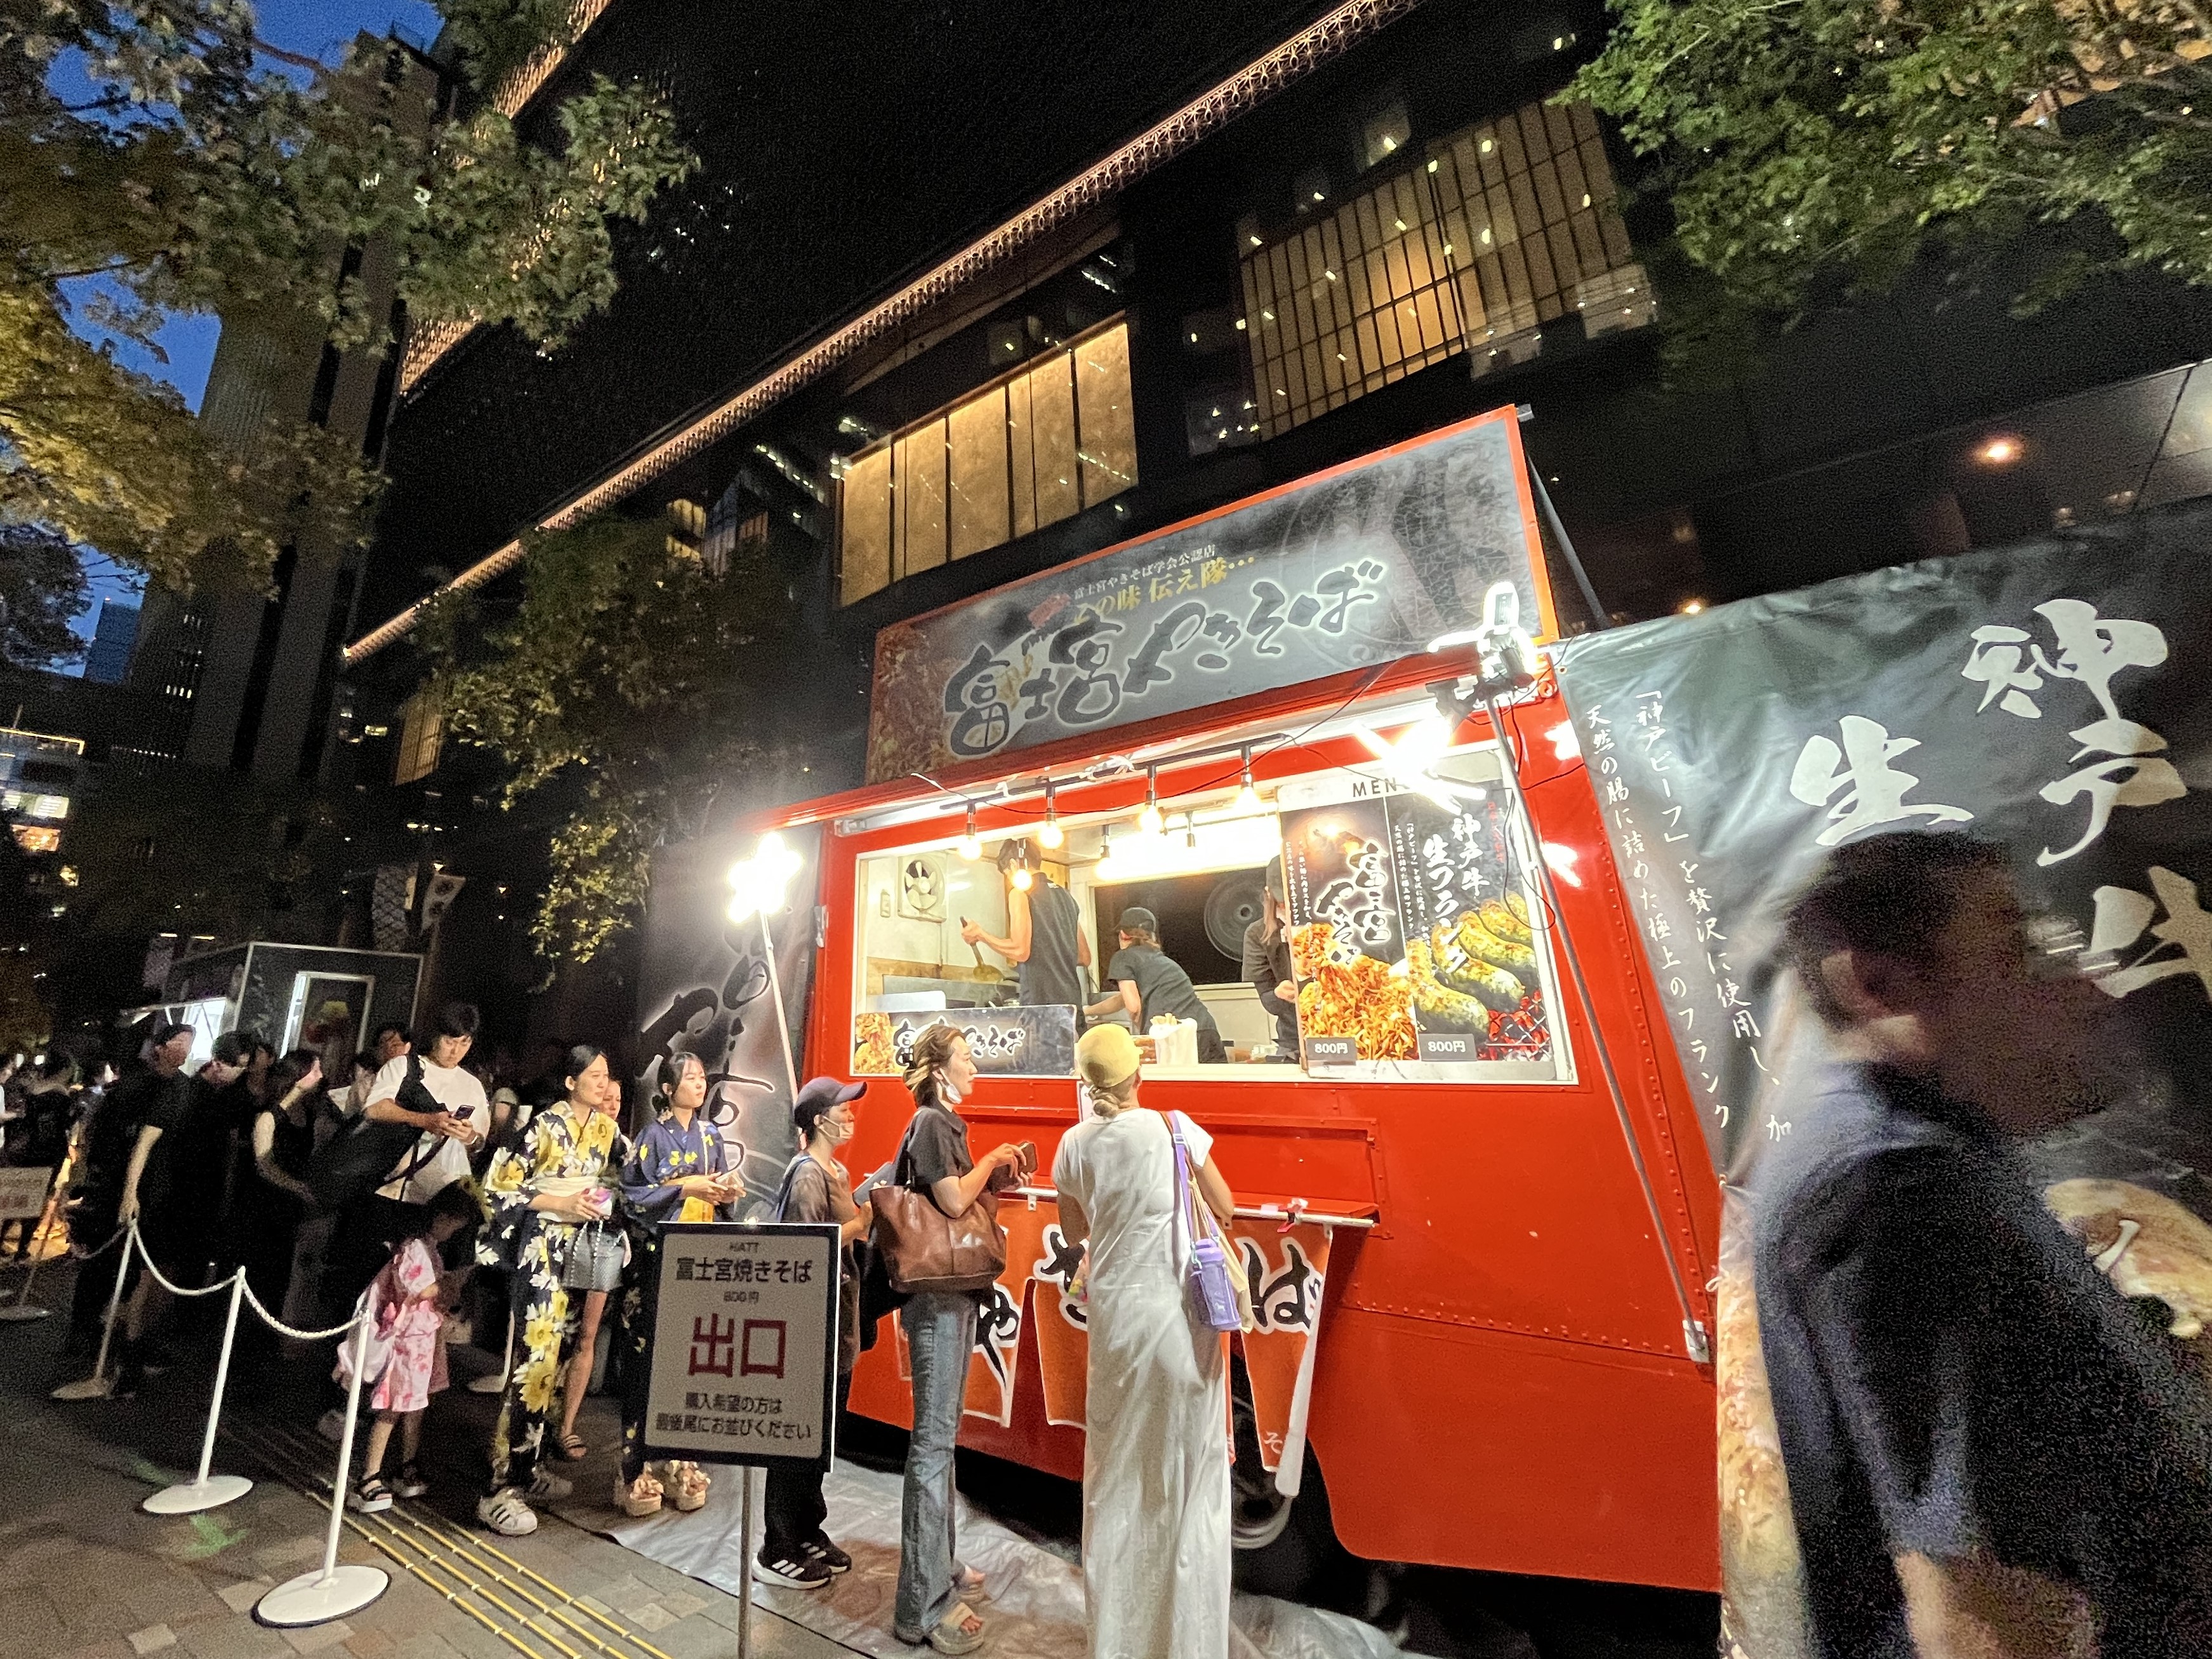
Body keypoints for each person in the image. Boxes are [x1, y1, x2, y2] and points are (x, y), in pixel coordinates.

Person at [1757, 832, 2212, 1658]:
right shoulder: (1897, 1195)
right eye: (2018, 952)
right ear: (1878, 986)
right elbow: (1971, 1594)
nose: (2080, 992)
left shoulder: (1925, 1155)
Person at [1054, 1023, 1235, 1659]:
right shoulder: (1174, 1128)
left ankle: (1117, 1642)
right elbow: (1224, 1205)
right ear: (1138, 1074)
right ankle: (1188, 1642)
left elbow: (1073, 1229)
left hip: (1116, 1327)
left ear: (1088, 1083)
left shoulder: (1073, 1144)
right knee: (1187, 1479)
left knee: (1117, 1477)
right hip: (1181, 1324)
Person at [891, 1025, 1028, 1654]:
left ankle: (938, 1570)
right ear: (940, 1070)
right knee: (931, 1446)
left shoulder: (941, 1123)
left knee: (939, 1443)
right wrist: (992, 1161)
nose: (975, 1067)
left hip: (951, 1295)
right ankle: (919, 1608)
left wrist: (992, 1170)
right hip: (938, 1299)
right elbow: (949, 1202)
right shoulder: (932, 1122)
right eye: (967, 1058)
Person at [475, 1043, 626, 1538]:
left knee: (558, 1359)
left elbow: (623, 1179)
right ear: (570, 1081)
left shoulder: (607, 1130)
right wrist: (560, 1200)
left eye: (606, 1075)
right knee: (534, 1361)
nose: (603, 1083)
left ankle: (530, 1464)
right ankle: (499, 1487)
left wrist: (603, 1197)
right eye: (594, 1075)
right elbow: (500, 1186)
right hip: (543, 1248)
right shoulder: (544, 1125)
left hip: (581, 1249)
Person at [614, 1051, 741, 1516]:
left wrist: (725, 1191)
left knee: (689, 1360)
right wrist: (686, 1187)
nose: (699, 1084)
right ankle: (633, 1467)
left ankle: (680, 1460)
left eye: (702, 1077)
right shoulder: (651, 1136)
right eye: (689, 1078)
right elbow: (631, 1197)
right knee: (646, 1361)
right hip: (658, 1259)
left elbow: (719, 1193)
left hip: (699, 1257)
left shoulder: (710, 1135)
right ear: (668, 1089)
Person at [760, 1076, 872, 1589]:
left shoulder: (837, 1170)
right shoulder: (807, 1174)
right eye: (842, 1109)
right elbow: (804, 1245)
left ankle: (807, 1529)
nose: (849, 1116)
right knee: (795, 1435)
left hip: (838, 1320)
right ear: (818, 1119)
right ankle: (777, 1545)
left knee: (820, 1436)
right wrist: (862, 1221)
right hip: (811, 1323)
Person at [115, 1030, 251, 1396]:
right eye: (238, 1066)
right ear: (218, 1063)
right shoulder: (179, 1091)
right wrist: (131, 1193)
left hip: (196, 1202)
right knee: (150, 1279)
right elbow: (144, 1143)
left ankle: (142, 1347)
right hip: (164, 1198)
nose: (241, 1073)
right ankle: (129, 1356)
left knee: (169, 1280)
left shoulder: (222, 1099)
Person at [341, 1182, 479, 1512]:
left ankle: (407, 1464)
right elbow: (421, 1288)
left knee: (415, 1406)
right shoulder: (414, 1247)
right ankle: (370, 1475)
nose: (452, 1233)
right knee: (393, 1407)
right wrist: (452, 1282)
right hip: (408, 1342)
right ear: (442, 1217)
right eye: (452, 1226)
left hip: (422, 1340)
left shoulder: (427, 1246)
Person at [69, 1026, 187, 1336]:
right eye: (179, 1042)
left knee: (136, 1266)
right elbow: (107, 1135)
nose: (185, 1049)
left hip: (158, 1185)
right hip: (116, 1182)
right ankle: (84, 1327)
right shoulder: (133, 1085)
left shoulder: (181, 1086)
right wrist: (110, 1181)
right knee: (103, 1260)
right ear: (160, 1047)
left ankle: (116, 1326)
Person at [553, 1057, 626, 1465]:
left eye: (617, 1098)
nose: (611, 1103)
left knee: (586, 1336)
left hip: (602, 1243)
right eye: (605, 1093)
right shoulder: (560, 1128)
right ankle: (540, 1423)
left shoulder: (620, 1143)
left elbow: (635, 1189)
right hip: (562, 1239)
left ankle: (566, 1426)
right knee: (552, 1336)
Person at [960, 840, 1090, 1018]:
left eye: (1008, 874)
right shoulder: (1067, 897)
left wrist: (981, 935)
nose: (1010, 881)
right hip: (1072, 1007)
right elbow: (1084, 957)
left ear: (1014, 864)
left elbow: (1020, 950)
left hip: (1041, 1008)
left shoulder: (1021, 892)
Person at [245, 1049, 324, 1329]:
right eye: (315, 1070)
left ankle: (269, 1331)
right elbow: (264, 1165)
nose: (320, 1075)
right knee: (260, 1273)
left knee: (282, 1273)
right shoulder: (269, 1116)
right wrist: (295, 1186)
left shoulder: (308, 1114)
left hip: (292, 1206)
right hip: (266, 1204)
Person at [1088, 907, 1227, 1063]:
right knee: (1214, 1079)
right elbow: (1122, 1000)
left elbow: (1133, 1007)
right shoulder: (1162, 960)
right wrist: (1087, 1011)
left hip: (1171, 1037)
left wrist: (1142, 1037)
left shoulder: (1123, 957)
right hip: (1204, 1029)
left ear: (1124, 935)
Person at [1241, 858, 1297, 1057]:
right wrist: (1279, 994)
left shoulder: (1329, 921)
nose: (1287, 905)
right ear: (1269, 893)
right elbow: (1267, 998)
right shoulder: (1257, 934)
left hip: (1346, 1028)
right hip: (1293, 1038)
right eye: (1282, 898)